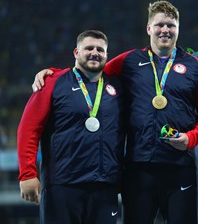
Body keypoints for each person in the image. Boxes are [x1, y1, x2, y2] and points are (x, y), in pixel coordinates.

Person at [31, 0, 198, 224]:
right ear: (149, 28)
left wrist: (191, 138)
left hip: (180, 166)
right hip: (138, 169)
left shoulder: (197, 67)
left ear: (178, 29)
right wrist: (54, 75)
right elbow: (89, 71)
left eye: (171, 25)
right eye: (159, 25)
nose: (165, 30)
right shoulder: (129, 61)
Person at [18, 30, 126, 224]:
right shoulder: (52, 82)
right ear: (76, 52)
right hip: (62, 185)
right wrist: (27, 174)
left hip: (104, 186)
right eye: (89, 48)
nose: (95, 52)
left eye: (100, 49)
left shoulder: (117, 87)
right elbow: (28, 129)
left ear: (107, 56)